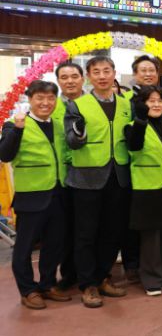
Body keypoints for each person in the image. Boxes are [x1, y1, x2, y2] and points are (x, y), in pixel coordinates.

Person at [64, 56, 131, 308]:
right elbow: (72, 141)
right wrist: (78, 134)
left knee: (112, 231)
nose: (102, 76)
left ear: (114, 73)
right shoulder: (77, 105)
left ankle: (103, 276)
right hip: (86, 179)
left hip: (119, 176)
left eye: (106, 71)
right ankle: (87, 284)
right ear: (88, 77)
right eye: (96, 72)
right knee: (85, 234)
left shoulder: (126, 104)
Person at [0, 81, 71, 309]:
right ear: (29, 99)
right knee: (25, 247)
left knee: (54, 244)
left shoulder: (59, 125)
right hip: (31, 196)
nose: (45, 103)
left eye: (50, 98)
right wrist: (18, 129)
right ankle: (28, 290)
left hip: (58, 194)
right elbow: (5, 154)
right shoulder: (14, 124)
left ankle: (47, 284)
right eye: (40, 98)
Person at [124, 86, 162, 296]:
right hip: (147, 188)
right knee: (151, 238)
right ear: (141, 104)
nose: (156, 104)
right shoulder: (132, 126)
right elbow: (135, 146)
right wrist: (141, 120)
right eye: (151, 101)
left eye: (160, 101)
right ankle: (152, 279)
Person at [52, 62, 84, 292]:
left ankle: (91, 272)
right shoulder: (50, 106)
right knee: (65, 229)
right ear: (58, 81)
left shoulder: (92, 105)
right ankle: (69, 273)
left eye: (74, 76)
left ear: (83, 78)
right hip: (62, 178)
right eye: (64, 77)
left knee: (89, 228)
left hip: (89, 175)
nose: (70, 81)